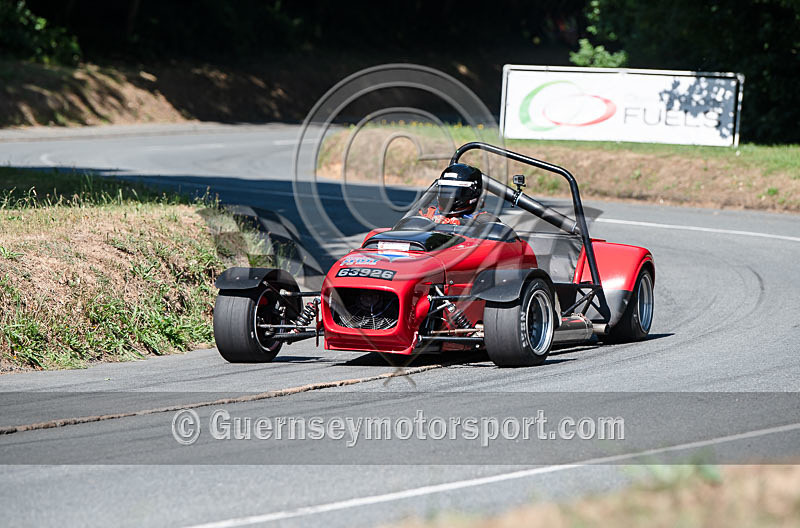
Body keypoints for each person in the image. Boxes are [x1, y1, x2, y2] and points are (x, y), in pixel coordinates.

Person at [419, 163, 502, 226]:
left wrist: (458, 222)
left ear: (472, 192)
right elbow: (408, 224)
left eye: (454, 190)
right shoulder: (428, 214)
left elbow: (494, 227)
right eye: (446, 188)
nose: (449, 196)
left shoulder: (484, 220)